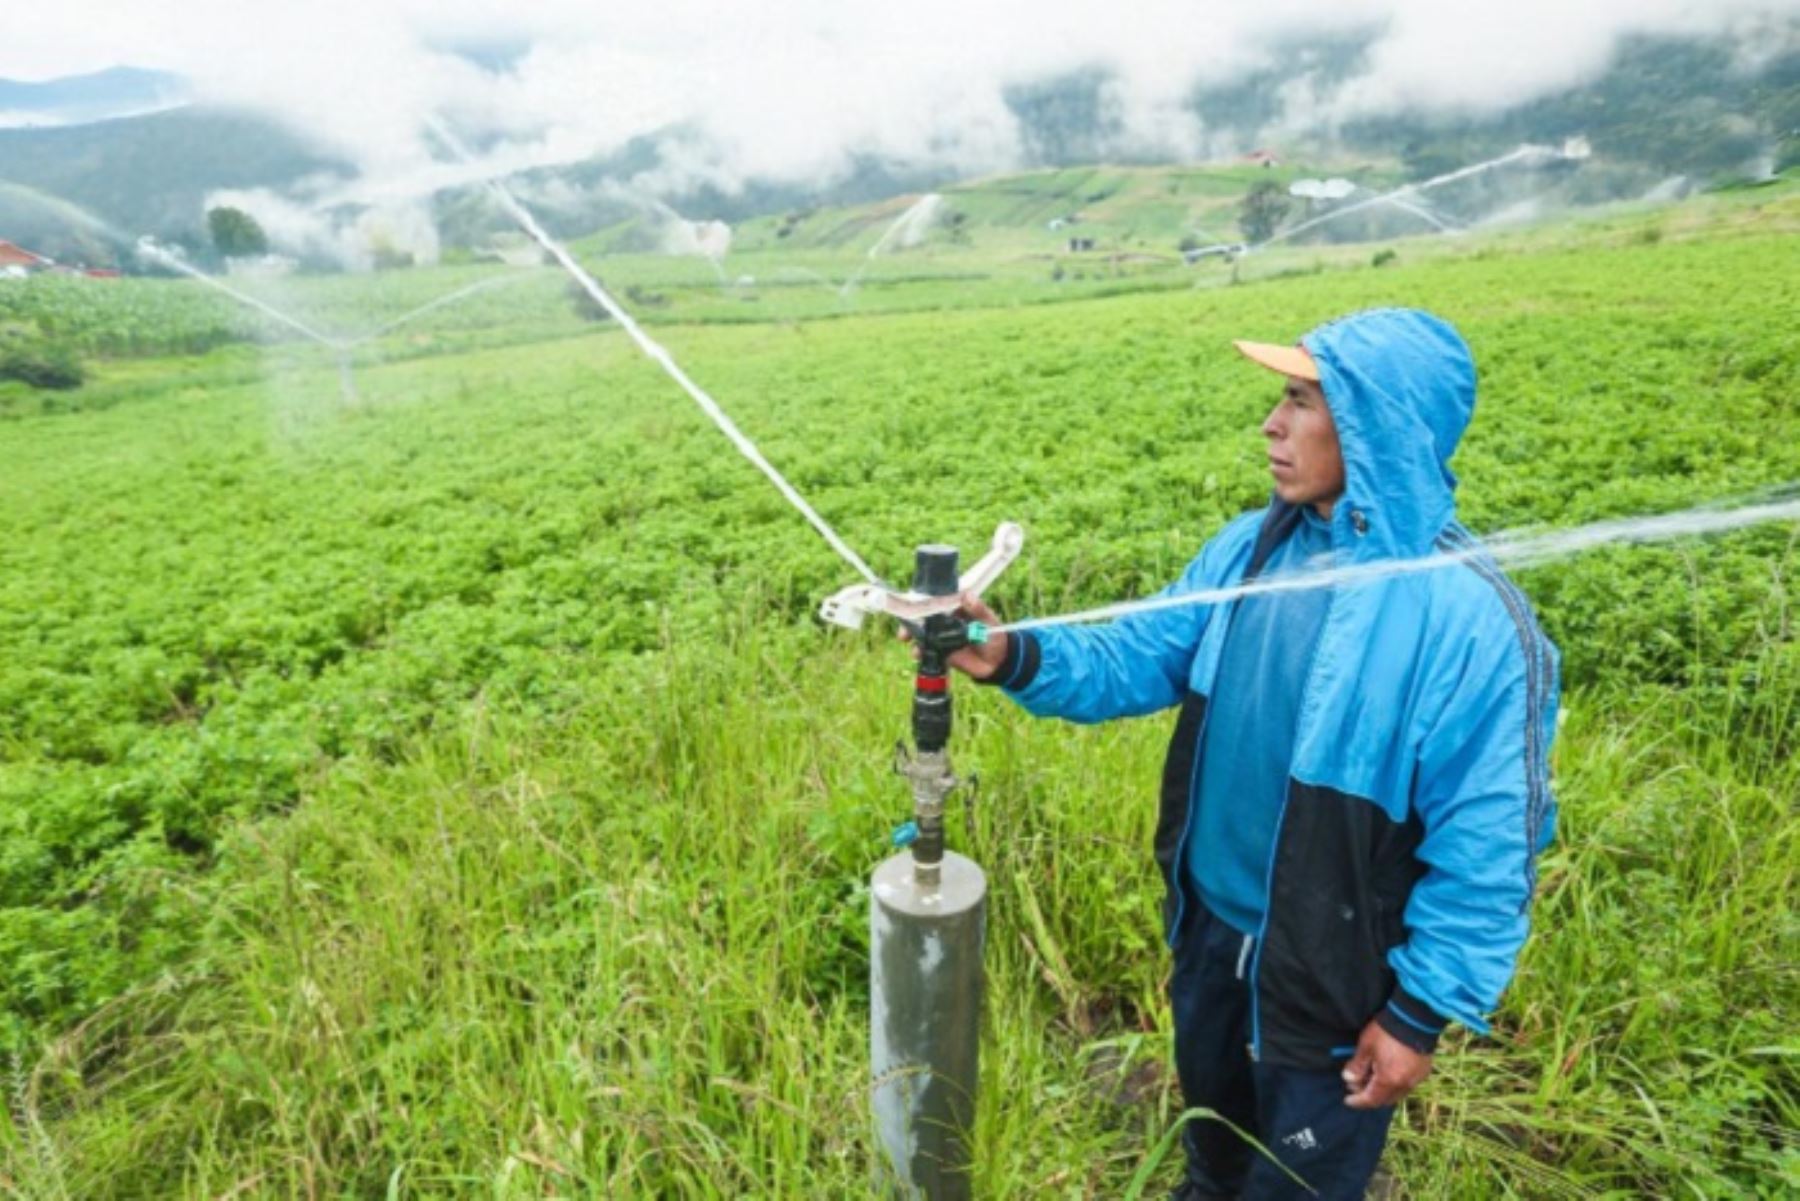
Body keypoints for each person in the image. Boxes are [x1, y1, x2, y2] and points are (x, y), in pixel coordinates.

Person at [944, 308, 1560, 1200]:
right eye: (1283, 398)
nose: (1272, 424)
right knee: (1216, 1147)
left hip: (1333, 985)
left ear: (1379, 425)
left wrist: (1420, 1014)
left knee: (1299, 1182)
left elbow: (1490, 851)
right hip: (1211, 935)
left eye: (1303, 401)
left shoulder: (1474, 626)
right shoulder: (1253, 545)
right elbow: (1141, 652)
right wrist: (1010, 654)